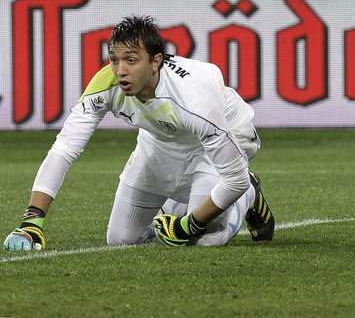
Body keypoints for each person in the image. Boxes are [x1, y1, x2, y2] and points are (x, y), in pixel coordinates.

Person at [3, 14, 275, 251]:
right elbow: (64, 149)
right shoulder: (106, 84)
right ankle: (180, 209)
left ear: (156, 61)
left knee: (203, 238)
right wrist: (31, 222)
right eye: (114, 60)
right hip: (160, 138)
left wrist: (188, 225)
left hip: (226, 132)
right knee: (121, 239)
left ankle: (249, 196)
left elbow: (234, 180)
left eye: (131, 60)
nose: (120, 71)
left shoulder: (193, 99)